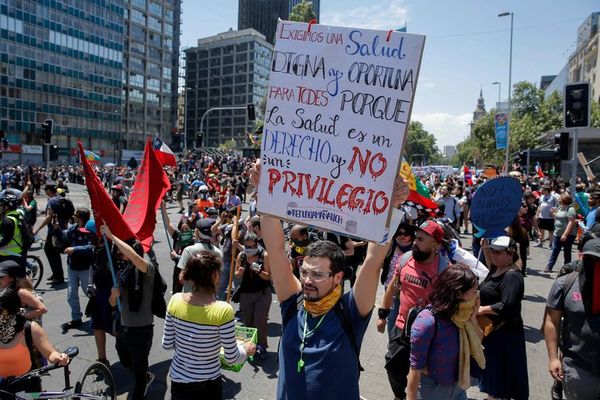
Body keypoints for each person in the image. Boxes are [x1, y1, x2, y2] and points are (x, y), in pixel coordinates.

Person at [254, 159, 410, 399]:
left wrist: (392, 205)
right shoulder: (293, 304)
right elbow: (275, 250)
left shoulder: (350, 311)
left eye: (317, 275)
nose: (307, 280)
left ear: (338, 278)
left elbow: (372, 260)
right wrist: (264, 192)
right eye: (305, 271)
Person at [162, 250, 256, 399]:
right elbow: (232, 357)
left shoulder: (175, 300)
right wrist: (246, 349)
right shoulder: (223, 310)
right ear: (214, 276)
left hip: (179, 382)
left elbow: (167, 344)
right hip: (208, 385)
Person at [380, 220, 450, 399]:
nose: (414, 242)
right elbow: (392, 287)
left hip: (428, 332)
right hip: (401, 326)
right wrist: (382, 314)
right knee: (393, 366)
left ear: (436, 244)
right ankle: (400, 396)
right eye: (416, 238)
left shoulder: (444, 270)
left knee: (421, 372)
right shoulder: (405, 259)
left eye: (421, 239)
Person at [406, 265, 485, 400]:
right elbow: (414, 369)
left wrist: (473, 319)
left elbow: (477, 342)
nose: (477, 295)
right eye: (473, 291)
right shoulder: (427, 322)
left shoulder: (462, 316)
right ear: (458, 293)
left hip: (458, 388)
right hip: (432, 391)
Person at [102, 225, 156, 400]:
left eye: (122, 253)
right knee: (125, 360)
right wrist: (113, 294)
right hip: (124, 327)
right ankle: (142, 375)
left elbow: (133, 256)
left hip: (143, 329)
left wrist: (112, 236)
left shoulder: (148, 269)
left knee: (139, 372)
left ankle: (141, 385)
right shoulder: (122, 273)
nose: (120, 256)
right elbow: (112, 303)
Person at [543, 237, 600, 399]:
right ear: (582, 257)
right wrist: (553, 358)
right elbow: (551, 321)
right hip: (578, 367)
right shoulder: (565, 283)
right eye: (591, 259)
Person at [477, 236, 528, 400]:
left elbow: (507, 305)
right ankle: (494, 396)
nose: (493, 255)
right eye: (492, 251)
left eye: (497, 252)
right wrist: (485, 248)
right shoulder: (497, 268)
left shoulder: (512, 276)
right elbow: (491, 267)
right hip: (493, 331)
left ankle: (497, 397)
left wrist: (481, 309)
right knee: (493, 368)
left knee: (502, 370)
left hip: (505, 333)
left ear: (511, 254)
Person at [0, 287, 69, 396]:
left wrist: (58, 357)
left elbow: (50, 353)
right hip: (2, 388)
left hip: (27, 386)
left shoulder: (29, 328)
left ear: (11, 309)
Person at [55, 208, 94, 331]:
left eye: (76, 215)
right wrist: (57, 229)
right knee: (71, 294)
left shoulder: (89, 229)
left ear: (81, 218)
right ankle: (76, 318)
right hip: (72, 267)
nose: (74, 217)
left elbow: (91, 247)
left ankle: (101, 313)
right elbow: (63, 237)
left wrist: (75, 249)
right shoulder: (74, 228)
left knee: (89, 292)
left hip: (85, 268)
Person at [234, 233, 271, 359]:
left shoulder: (263, 255)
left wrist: (259, 270)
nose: (249, 249)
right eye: (247, 246)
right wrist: (238, 273)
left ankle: (263, 347)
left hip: (262, 293)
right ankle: (251, 347)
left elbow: (267, 276)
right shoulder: (242, 255)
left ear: (257, 244)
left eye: (252, 246)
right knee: (248, 322)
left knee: (260, 321)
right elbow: (236, 273)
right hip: (246, 294)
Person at [376, 223, 415, 337]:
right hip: (390, 288)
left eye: (406, 234)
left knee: (406, 319)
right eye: (399, 233)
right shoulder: (390, 245)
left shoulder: (415, 249)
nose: (402, 236)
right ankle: (392, 344)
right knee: (392, 318)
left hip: (407, 291)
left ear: (411, 236)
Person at [32, 182, 65, 284]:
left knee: (51, 252)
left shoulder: (51, 200)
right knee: (54, 252)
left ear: (48, 190)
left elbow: (49, 216)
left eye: (45, 189)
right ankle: (57, 274)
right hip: (60, 229)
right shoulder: (60, 198)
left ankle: (58, 276)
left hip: (54, 231)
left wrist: (37, 229)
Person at [544, 193, 577, 273]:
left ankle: (567, 268)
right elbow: (558, 217)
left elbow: (571, 223)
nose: (558, 200)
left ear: (564, 200)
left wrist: (565, 235)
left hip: (568, 235)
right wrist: (553, 214)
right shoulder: (559, 207)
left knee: (567, 252)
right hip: (557, 233)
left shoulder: (571, 209)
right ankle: (549, 267)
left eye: (560, 199)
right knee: (555, 250)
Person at [0, 192, 28, 269]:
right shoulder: (19, 213)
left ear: (7, 207)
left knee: (14, 278)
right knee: (21, 276)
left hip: (8, 253)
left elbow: (6, 238)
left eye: (2, 205)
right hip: (19, 250)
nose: (1, 206)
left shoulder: (7, 220)